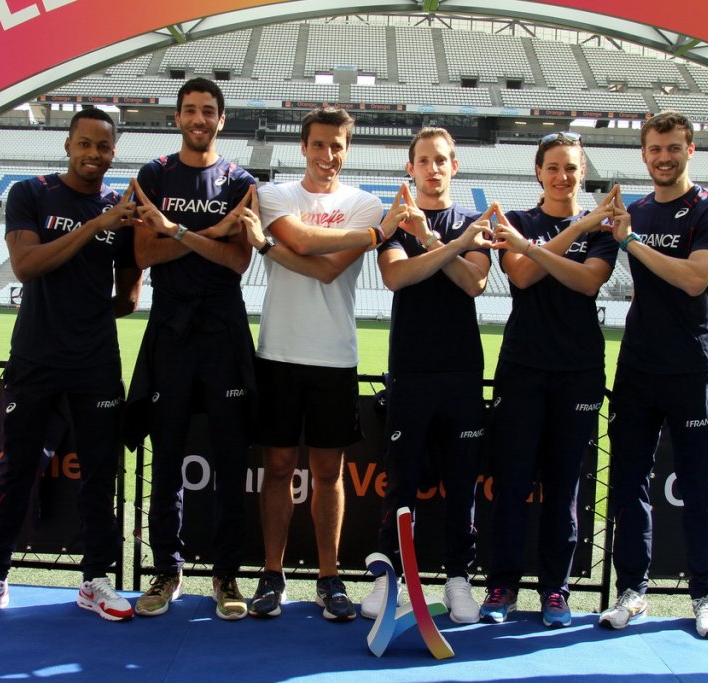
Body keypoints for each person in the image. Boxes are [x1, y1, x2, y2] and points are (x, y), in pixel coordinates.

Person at [0, 107, 142, 624]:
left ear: (112, 153)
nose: (93, 155)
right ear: (67, 145)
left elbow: (127, 296)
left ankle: (95, 580)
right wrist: (94, 226)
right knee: (17, 469)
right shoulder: (32, 193)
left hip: (96, 362)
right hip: (35, 357)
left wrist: (85, 316)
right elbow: (26, 265)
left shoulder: (119, 210)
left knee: (101, 474)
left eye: (103, 147)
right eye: (84, 144)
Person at [237, 108, 406, 621]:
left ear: (346, 149)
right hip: (278, 353)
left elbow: (330, 270)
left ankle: (328, 579)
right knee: (278, 470)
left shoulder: (365, 203)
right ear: (303, 146)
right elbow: (307, 243)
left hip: (334, 355)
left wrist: (271, 245)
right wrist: (369, 236)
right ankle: (272, 574)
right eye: (319, 145)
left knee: (328, 473)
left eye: (337, 147)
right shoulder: (275, 195)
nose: (327, 156)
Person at [123, 77, 258, 621]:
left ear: (221, 120)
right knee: (167, 459)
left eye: (208, 111)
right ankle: (167, 571)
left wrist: (177, 232)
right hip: (170, 334)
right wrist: (212, 233)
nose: (198, 119)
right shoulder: (153, 175)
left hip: (224, 334)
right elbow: (142, 253)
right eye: (190, 110)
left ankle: (226, 575)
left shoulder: (241, 181)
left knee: (231, 461)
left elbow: (238, 261)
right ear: (177, 118)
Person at [598, 110, 708, 639]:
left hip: (692, 366)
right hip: (638, 367)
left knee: (699, 486)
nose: (663, 157)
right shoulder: (636, 210)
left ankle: (706, 596)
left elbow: (695, 279)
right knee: (628, 483)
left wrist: (631, 242)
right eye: (655, 149)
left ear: (690, 150)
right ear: (644, 154)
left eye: (673, 148)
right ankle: (633, 590)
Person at [482, 132, 618, 628]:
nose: (564, 176)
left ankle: (555, 590)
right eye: (554, 167)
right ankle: (502, 586)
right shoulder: (518, 222)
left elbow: (587, 281)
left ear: (582, 172)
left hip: (578, 370)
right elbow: (519, 275)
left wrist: (543, 248)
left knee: (564, 487)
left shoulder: (603, 231)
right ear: (539, 172)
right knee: (512, 482)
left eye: (572, 168)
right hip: (522, 367)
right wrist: (572, 230)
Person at [361, 127, 494, 624]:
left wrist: (433, 239)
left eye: (441, 160)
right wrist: (439, 243)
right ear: (410, 167)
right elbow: (398, 277)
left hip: (461, 371)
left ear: (453, 166)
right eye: (424, 160)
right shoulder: (393, 220)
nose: (433, 168)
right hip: (411, 370)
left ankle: (458, 577)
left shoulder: (473, 221)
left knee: (462, 483)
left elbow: (473, 282)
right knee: (401, 482)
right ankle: (388, 577)